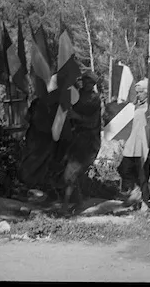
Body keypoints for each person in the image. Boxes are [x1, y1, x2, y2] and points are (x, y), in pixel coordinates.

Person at [61, 70, 102, 212]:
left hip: (89, 141)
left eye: (90, 82)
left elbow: (92, 121)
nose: (87, 84)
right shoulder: (76, 94)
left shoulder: (94, 99)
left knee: (72, 172)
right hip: (75, 138)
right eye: (85, 80)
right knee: (71, 172)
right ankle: (78, 202)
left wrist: (75, 115)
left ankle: (66, 206)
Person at [117, 78, 150, 212]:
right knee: (124, 169)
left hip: (143, 144)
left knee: (142, 173)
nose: (138, 95)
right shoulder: (134, 106)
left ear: (147, 92)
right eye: (137, 93)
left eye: (141, 92)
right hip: (131, 144)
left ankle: (144, 201)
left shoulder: (149, 108)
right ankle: (134, 192)